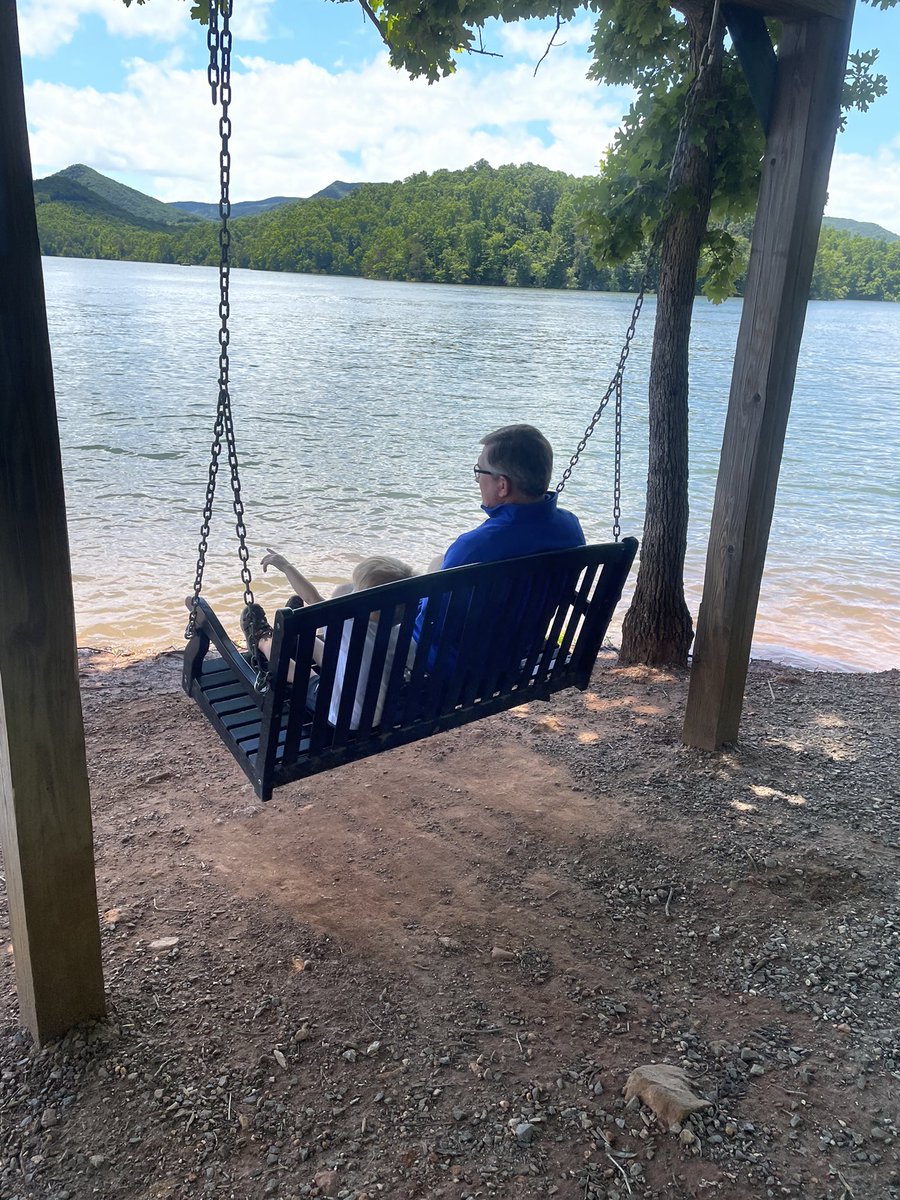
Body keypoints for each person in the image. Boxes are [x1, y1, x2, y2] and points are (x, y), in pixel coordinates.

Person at [241, 552, 414, 728]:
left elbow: (312, 599)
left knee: (308, 676)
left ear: (367, 603)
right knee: (346, 655)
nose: (350, 589)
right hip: (379, 717)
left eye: (355, 589)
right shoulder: (406, 635)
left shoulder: (348, 624)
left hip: (342, 720)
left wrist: (286, 567)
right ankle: (297, 631)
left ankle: (262, 641)